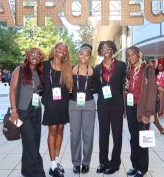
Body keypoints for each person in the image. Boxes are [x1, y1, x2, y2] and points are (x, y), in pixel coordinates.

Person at [10, 47, 46, 177]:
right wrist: (14, 111)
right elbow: (12, 91)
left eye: (39, 55)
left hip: (36, 111)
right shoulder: (19, 70)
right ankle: (38, 173)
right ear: (28, 55)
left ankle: (26, 171)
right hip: (22, 111)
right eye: (33, 54)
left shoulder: (40, 71)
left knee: (34, 141)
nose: (35, 56)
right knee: (30, 141)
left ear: (41, 59)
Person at [124, 46, 158, 177]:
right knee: (133, 138)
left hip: (142, 108)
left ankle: (142, 168)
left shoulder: (147, 69)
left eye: (133, 54)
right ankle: (135, 165)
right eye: (128, 55)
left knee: (143, 139)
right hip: (131, 107)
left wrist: (148, 113)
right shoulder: (129, 70)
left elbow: (152, 91)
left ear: (138, 54)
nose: (130, 57)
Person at [94, 40, 126, 175]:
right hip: (102, 104)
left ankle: (115, 163)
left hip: (117, 104)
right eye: (102, 49)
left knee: (117, 134)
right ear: (100, 52)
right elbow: (96, 87)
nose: (105, 51)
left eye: (108, 48)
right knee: (103, 134)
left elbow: (124, 86)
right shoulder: (97, 68)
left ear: (112, 50)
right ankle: (103, 162)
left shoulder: (121, 66)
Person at [42, 42, 73, 177]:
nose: (62, 51)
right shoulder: (44, 65)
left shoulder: (67, 67)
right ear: (54, 49)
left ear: (66, 53)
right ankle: (52, 164)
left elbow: (69, 87)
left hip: (63, 101)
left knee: (60, 128)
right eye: (59, 48)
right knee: (53, 129)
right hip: (50, 102)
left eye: (64, 50)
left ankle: (56, 161)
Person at [69, 44, 95, 174]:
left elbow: (97, 86)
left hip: (89, 103)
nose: (84, 56)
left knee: (88, 134)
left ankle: (86, 162)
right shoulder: (72, 69)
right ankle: (75, 162)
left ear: (90, 57)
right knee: (75, 134)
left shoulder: (93, 70)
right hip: (74, 103)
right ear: (78, 55)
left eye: (87, 54)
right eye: (81, 54)